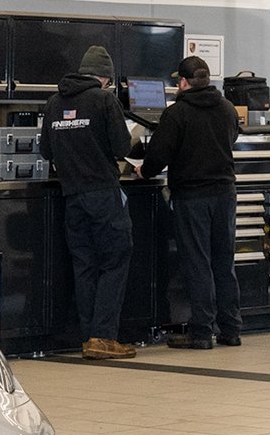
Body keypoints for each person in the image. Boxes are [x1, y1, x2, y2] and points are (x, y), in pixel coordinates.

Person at [138, 55, 242, 349]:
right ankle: (231, 330)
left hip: (192, 196)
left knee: (198, 263)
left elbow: (158, 155)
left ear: (182, 82)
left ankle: (201, 333)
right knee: (224, 261)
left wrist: (143, 170)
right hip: (224, 194)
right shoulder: (226, 108)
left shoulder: (176, 114)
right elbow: (231, 139)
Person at [42, 45, 136, 360]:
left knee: (84, 267)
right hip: (104, 194)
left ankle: (88, 338)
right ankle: (104, 337)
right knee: (114, 261)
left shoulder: (54, 102)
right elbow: (122, 145)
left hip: (72, 197)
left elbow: (45, 151)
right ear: (105, 78)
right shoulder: (104, 99)